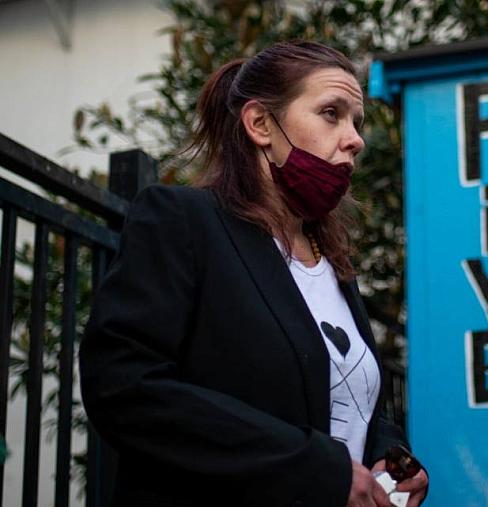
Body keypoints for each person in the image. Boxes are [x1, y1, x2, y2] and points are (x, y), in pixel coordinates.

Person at [79, 40, 428, 507]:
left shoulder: (333, 265)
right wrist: (315, 470)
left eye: (356, 121)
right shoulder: (184, 221)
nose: (355, 138)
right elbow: (124, 387)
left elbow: (346, 399)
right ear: (261, 123)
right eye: (331, 113)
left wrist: (391, 457)